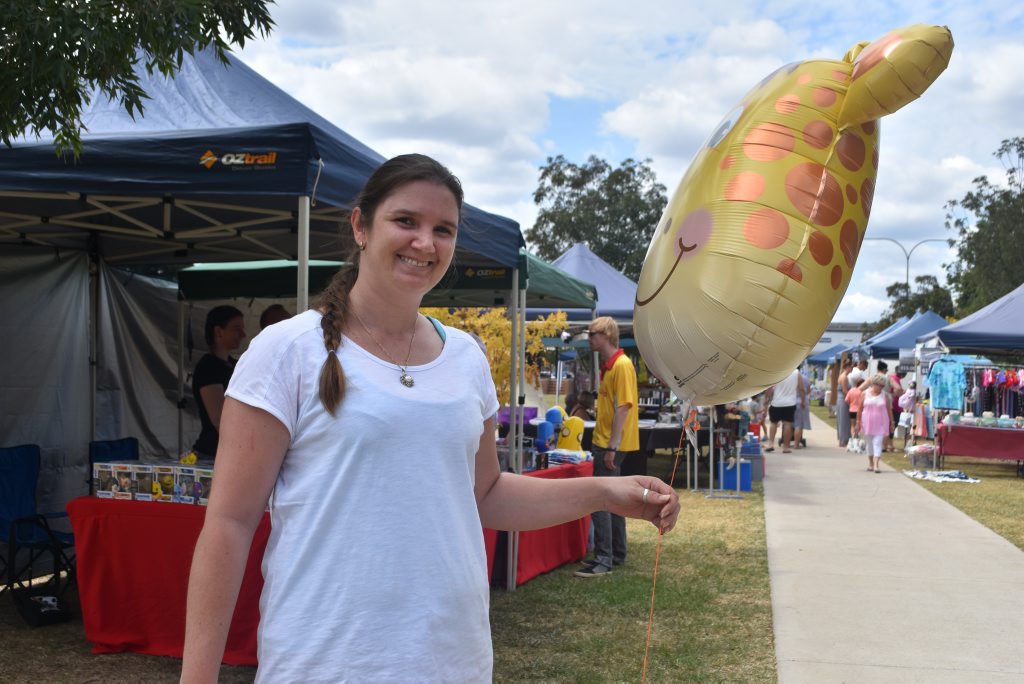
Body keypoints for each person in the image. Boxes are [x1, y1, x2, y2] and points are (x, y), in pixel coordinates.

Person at [181, 154, 680, 682]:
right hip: (324, 661)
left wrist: (604, 491)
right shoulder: (286, 351)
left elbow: (487, 494)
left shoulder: (465, 358)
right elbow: (230, 525)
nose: (425, 243)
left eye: (443, 229)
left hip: (452, 660)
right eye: (406, 221)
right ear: (360, 227)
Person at [574, 315, 641, 578]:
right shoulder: (612, 366)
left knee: (601, 499)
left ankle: (604, 558)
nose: (589, 339)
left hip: (610, 444)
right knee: (612, 499)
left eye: (593, 334)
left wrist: (612, 446)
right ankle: (616, 553)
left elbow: (624, 407)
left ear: (606, 336)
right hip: (607, 442)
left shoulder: (621, 365)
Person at [190, 305, 245, 460]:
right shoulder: (208, 367)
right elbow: (219, 419)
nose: (243, 334)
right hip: (212, 453)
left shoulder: (236, 364)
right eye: (236, 328)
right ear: (218, 332)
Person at [855, 373, 892, 472]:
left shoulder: (885, 396)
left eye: (882, 385)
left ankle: (876, 465)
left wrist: (892, 422)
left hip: (881, 423)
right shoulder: (865, 393)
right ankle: (870, 463)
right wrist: (858, 422)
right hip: (867, 422)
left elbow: (889, 410)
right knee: (869, 444)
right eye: (879, 385)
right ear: (873, 384)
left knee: (877, 443)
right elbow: (859, 409)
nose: (880, 387)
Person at [766, 367, 804, 453]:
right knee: (787, 424)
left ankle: (771, 444)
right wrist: (803, 400)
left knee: (773, 423)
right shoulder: (797, 373)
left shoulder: (777, 370)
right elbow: (801, 388)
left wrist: (767, 398)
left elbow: (769, 386)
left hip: (776, 402)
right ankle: (786, 447)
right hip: (790, 403)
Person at [835, 358, 853, 447]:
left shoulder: (843, 375)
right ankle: (843, 440)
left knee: (842, 420)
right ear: (848, 367)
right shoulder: (844, 377)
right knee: (844, 421)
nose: (852, 368)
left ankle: (843, 439)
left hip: (840, 400)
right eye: (851, 366)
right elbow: (845, 391)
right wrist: (850, 402)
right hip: (843, 400)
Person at [792, 372, 812, 448]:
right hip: (801, 402)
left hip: (791, 401)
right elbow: (807, 390)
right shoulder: (805, 378)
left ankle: (787, 442)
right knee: (799, 424)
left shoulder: (788, 377)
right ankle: (796, 444)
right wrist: (803, 400)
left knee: (790, 424)